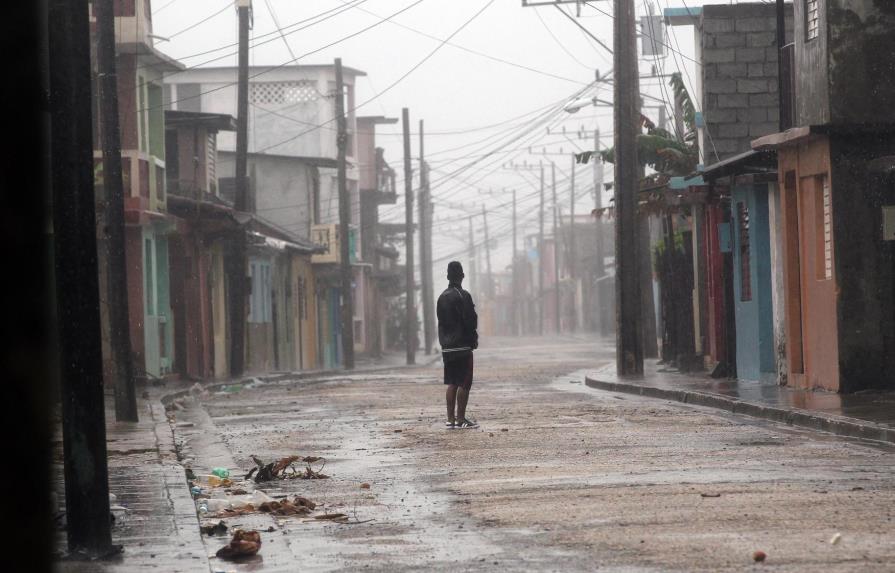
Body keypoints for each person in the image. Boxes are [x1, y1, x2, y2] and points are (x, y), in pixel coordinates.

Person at [437, 261, 479, 429]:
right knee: (464, 383)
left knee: (452, 383)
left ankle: (450, 419)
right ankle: (461, 419)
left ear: (448, 276)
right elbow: (471, 321)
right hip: (462, 347)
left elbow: (441, 322)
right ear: (462, 276)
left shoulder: (441, 297)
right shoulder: (464, 296)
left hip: (447, 347)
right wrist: (473, 339)